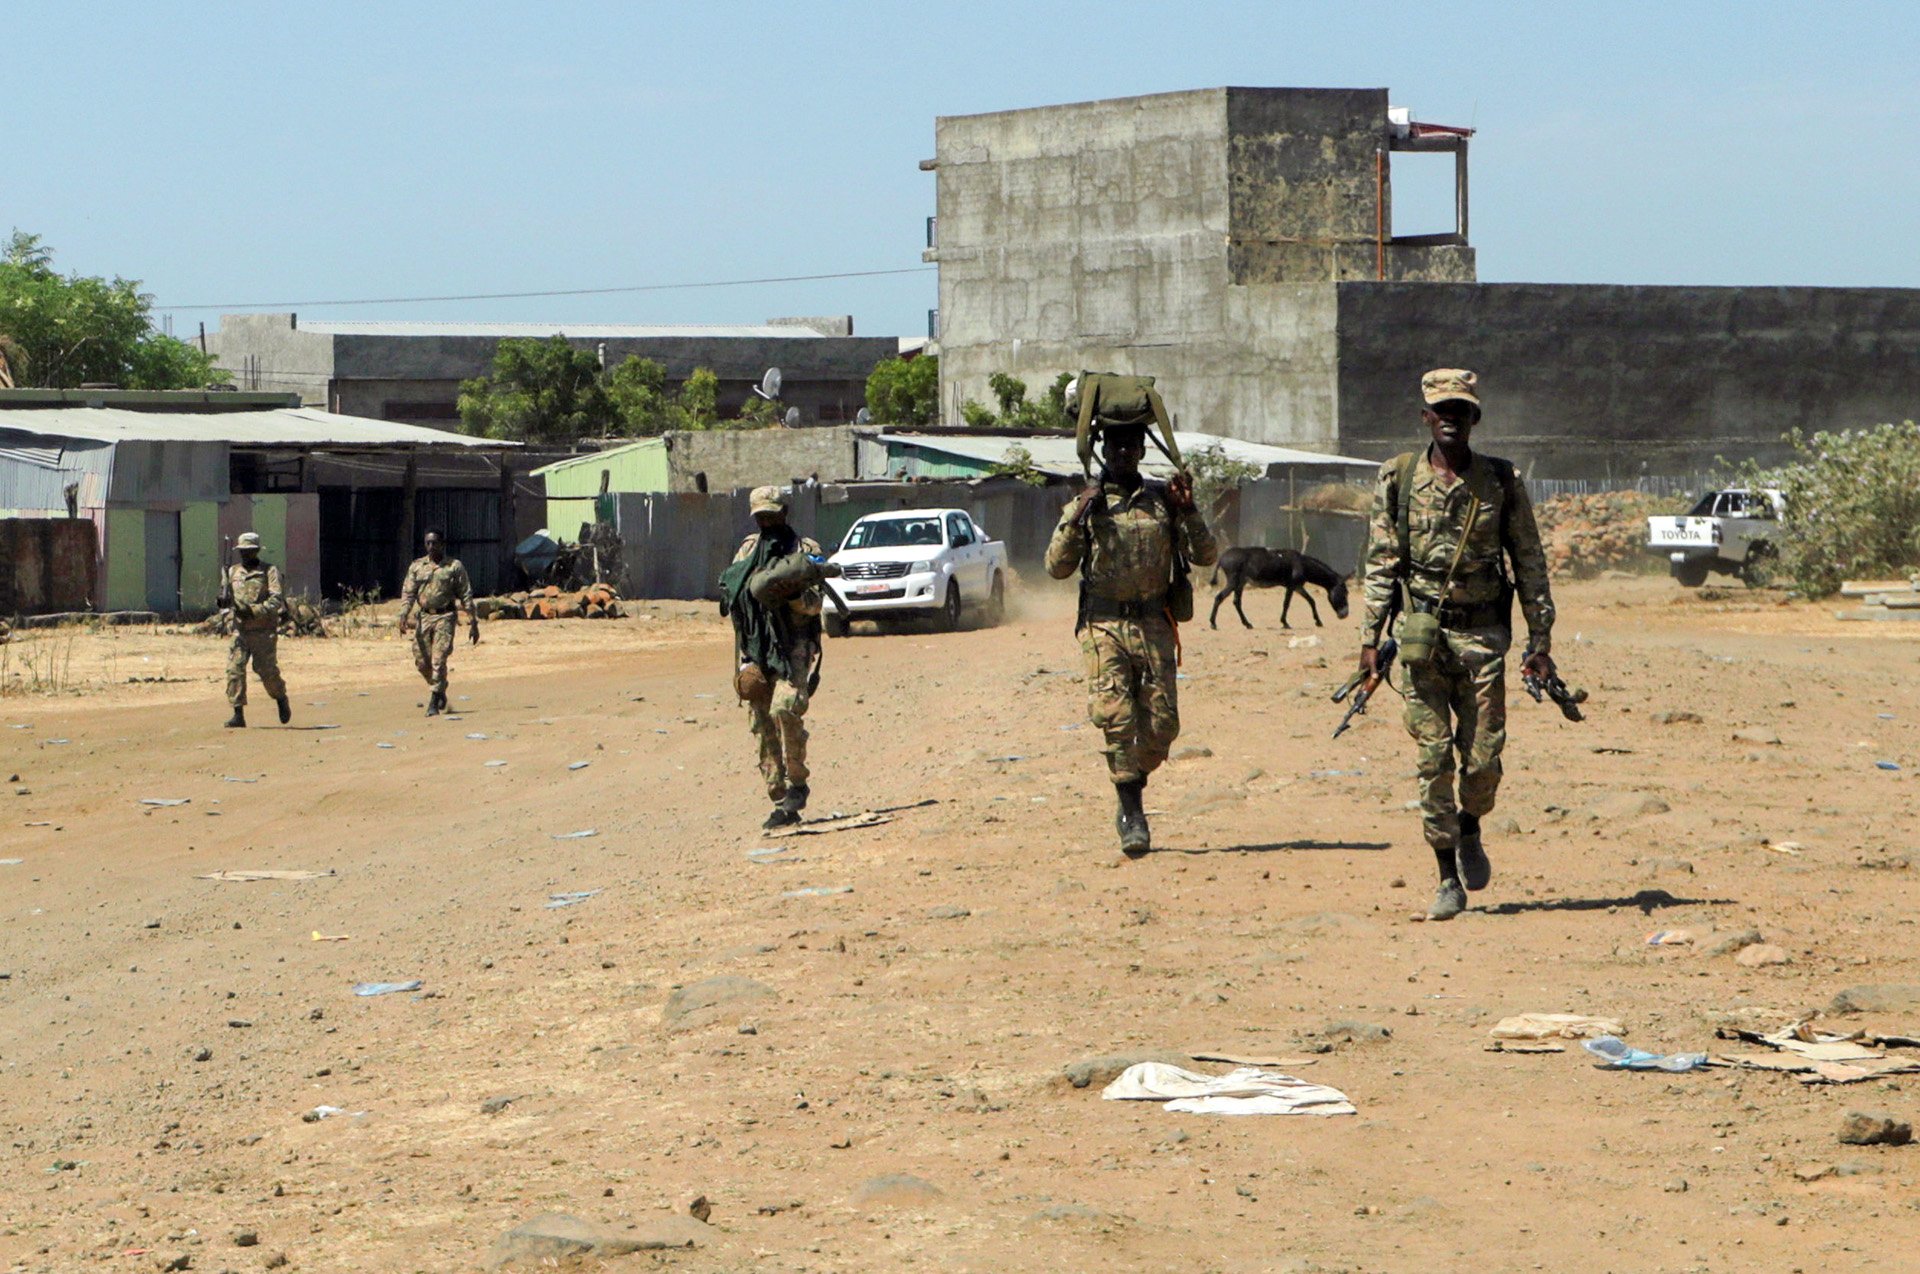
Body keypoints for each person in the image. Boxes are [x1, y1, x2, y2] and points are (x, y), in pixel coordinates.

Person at [1356, 368, 1556, 921]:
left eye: (1460, 410)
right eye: (1440, 409)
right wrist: (1370, 640)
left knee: (1485, 760)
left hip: (1485, 638)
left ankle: (1471, 826)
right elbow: (1379, 564)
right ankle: (1446, 876)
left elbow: (1530, 562)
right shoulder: (1397, 478)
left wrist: (1540, 639)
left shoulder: (1501, 481)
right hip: (1421, 639)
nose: (1450, 417)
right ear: (1425, 417)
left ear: (1474, 418)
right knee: (1433, 758)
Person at [1045, 422, 1218, 856]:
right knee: (1116, 720)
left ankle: (1130, 778)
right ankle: (1131, 813)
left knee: (1163, 727)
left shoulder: (1163, 501)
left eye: (1131, 445)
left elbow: (1206, 556)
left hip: (1155, 623)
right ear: (1104, 450)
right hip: (1102, 624)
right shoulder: (1090, 503)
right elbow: (1056, 567)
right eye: (1115, 445)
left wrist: (1190, 510)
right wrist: (1079, 515)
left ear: (1142, 450)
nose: (1123, 452)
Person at [719, 486, 838, 829]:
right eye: (762, 517)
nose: (768, 521)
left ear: (785, 512)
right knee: (761, 722)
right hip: (756, 649)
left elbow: (816, 604)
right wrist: (744, 658)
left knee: (785, 709)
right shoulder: (747, 550)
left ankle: (798, 782)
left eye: (773, 514)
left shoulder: (804, 550)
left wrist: (788, 596)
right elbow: (736, 599)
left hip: (794, 646)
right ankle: (781, 798)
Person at [397, 530, 478, 717]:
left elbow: (465, 594)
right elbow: (409, 593)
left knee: (438, 659)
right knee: (421, 661)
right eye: (428, 543)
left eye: (434, 543)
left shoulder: (454, 567)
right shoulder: (417, 567)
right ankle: (440, 688)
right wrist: (403, 614)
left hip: (445, 617)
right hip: (423, 617)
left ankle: (433, 702)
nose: (431, 547)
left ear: (442, 544)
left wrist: (473, 621)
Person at [221, 531, 291, 728]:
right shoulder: (232, 572)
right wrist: (223, 604)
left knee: (266, 671)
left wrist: (254, 611)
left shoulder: (269, 571)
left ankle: (280, 697)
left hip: (263, 631)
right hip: (240, 631)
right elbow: (226, 597)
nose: (246, 555)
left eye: (249, 551)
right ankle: (238, 713)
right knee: (234, 670)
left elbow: (276, 599)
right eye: (243, 551)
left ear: (257, 551)